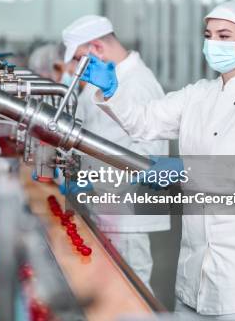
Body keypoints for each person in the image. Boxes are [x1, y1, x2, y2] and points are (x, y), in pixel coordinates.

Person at [83, 2, 235, 320]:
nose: (213, 43)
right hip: (194, 268)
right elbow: (145, 121)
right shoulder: (198, 94)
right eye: (209, 35)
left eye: (224, 35)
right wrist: (112, 91)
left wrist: (184, 170)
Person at [62, 15, 170, 290]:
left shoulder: (137, 84)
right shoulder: (111, 78)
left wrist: (94, 179)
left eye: (78, 59)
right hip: (106, 205)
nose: (75, 68)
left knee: (130, 289)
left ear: (97, 48)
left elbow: (148, 156)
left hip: (126, 212)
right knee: (110, 287)